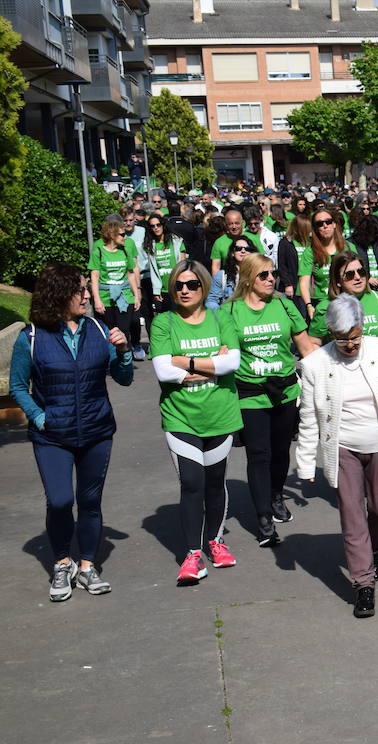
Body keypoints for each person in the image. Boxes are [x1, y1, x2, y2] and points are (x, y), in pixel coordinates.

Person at [10, 264, 134, 600]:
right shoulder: (32, 337)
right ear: (58, 294)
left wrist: (122, 352)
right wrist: (39, 417)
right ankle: (62, 562)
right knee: (61, 500)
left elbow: (124, 378)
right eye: (79, 289)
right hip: (53, 436)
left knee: (90, 501)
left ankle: (87, 566)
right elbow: (18, 385)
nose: (86, 294)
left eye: (85, 288)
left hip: (97, 431)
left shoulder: (96, 328)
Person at [297, 295, 378, 620]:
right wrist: (306, 461)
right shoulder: (315, 365)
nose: (349, 345)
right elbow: (309, 416)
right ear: (330, 333)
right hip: (343, 448)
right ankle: (363, 584)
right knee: (352, 516)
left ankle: (374, 549)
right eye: (341, 339)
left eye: (354, 336)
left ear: (362, 326)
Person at [149, 261, 244, 585]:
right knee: (192, 483)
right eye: (179, 285)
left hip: (220, 414)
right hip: (180, 417)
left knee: (215, 483)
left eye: (192, 284)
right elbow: (163, 371)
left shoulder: (221, 317)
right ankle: (192, 554)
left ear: (204, 286)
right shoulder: (163, 323)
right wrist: (210, 364)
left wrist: (185, 363)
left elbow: (232, 362)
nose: (185, 290)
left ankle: (215, 542)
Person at [222, 253, 311, 547]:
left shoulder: (284, 305)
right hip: (250, 393)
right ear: (248, 278)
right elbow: (225, 355)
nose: (271, 279)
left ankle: (275, 495)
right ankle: (263, 518)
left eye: (272, 273)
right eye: (263, 275)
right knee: (259, 453)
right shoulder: (230, 311)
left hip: (286, 391)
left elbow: (305, 347)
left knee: (280, 451)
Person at [307, 251, 378, 346]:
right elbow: (313, 343)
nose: (357, 277)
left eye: (361, 272)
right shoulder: (326, 307)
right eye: (350, 274)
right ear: (338, 281)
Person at [88, 215, 141, 345]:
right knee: (109, 332)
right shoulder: (98, 252)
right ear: (112, 235)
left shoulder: (125, 251)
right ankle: (112, 361)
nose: (125, 237)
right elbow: (94, 277)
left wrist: (136, 295)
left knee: (123, 332)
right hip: (106, 297)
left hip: (124, 296)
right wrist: (97, 300)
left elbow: (131, 274)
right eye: (122, 234)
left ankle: (124, 357)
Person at [297, 206, 355, 318]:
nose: (324, 226)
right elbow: (304, 282)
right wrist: (309, 306)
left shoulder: (348, 247)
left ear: (334, 224)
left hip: (345, 302)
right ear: (315, 228)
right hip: (319, 305)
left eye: (328, 222)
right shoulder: (310, 252)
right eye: (319, 223)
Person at [348, 213, 378, 293]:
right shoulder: (351, 244)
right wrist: (367, 278)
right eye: (374, 234)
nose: (377, 236)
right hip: (363, 287)